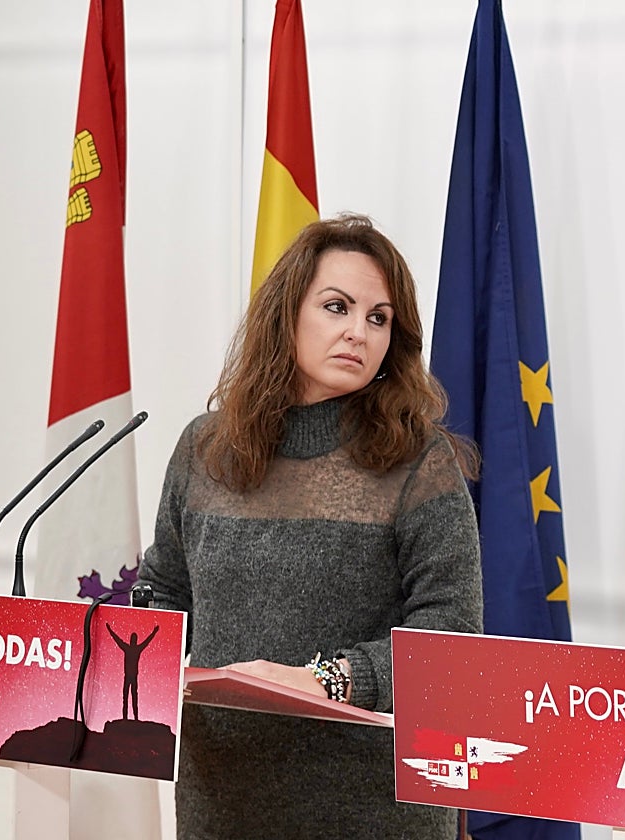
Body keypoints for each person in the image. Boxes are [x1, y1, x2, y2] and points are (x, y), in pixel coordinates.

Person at [138, 213, 483, 839]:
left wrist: (326, 680)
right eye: (337, 307)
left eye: (379, 318)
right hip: (223, 801)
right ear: (287, 313)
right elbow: (165, 593)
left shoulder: (421, 461)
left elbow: (450, 640)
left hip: (375, 810)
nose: (359, 332)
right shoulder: (203, 449)